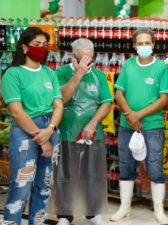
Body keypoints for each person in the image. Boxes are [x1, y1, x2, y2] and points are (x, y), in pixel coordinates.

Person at [0, 27, 63, 225]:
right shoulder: (13, 74)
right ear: (25, 47)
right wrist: (41, 138)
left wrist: (50, 130)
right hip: (25, 131)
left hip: (50, 128)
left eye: (45, 45)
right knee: (21, 185)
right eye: (37, 45)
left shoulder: (49, 73)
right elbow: (17, 111)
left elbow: (59, 105)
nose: (41, 49)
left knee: (44, 185)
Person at [110, 28, 168, 225]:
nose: (144, 46)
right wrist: (130, 115)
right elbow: (119, 93)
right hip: (128, 125)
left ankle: (159, 211)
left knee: (154, 166)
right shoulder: (128, 65)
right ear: (134, 45)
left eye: (147, 43)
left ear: (153, 45)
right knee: (126, 164)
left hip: (152, 125)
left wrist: (139, 115)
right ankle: (124, 207)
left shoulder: (161, 67)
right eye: (140, 43)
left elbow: (163, 99)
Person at [53, 38, 112, 225]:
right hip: (66, 132)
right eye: (82, 60)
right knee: (64, 174)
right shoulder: (60, 73)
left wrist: (93, 123)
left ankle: (93, 213)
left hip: (93, 134)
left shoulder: (99, 76)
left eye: (90, 60)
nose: (87, 64)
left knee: (93, 174)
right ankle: (64, 215)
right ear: (73, 57)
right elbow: (61, 98)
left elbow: (106, 102)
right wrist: (78, 75)